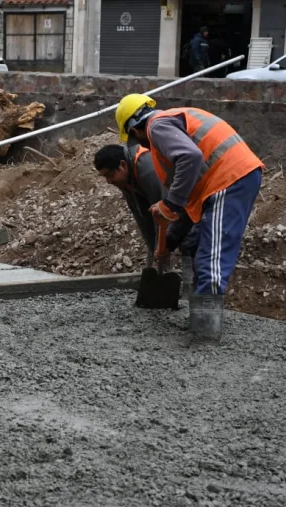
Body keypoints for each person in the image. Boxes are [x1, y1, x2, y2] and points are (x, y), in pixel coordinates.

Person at [114, 94, 264, 340]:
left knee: (211, 256)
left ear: (135, 129)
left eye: (135, 139)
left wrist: (169, 203)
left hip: (229, 179)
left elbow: (190, 158)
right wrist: (169, 242)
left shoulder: (157, 126)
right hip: (230, 178)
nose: (143, 146)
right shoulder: (171, 126)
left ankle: (204, 334)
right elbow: (187, 205)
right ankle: (202, 322)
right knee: (197, 244)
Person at [93, 144, 197, 290]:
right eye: (104, 177)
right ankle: (168, 288)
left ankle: (193, 293)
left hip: (192, 202)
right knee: (160, 251)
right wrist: (153, 254)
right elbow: (144, 218)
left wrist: (163, 248)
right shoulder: (125, 180)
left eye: (109, 175)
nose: (108, 181)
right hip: (172, 204)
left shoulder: (148, 169)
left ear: (122, 165)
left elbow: (165, 213)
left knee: (189, 242)